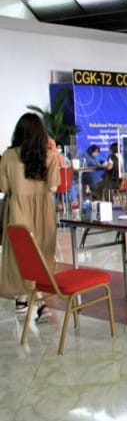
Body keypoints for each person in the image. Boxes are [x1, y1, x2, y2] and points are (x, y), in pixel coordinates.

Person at [0, 113, 60, 320]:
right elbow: (53, 187)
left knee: (22, 255)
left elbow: (3, 187)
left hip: (18, 210)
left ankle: (23, 300)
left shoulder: (8, 156)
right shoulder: (50, 156)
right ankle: (38, 302)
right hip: (43, 211)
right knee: (42, 255)